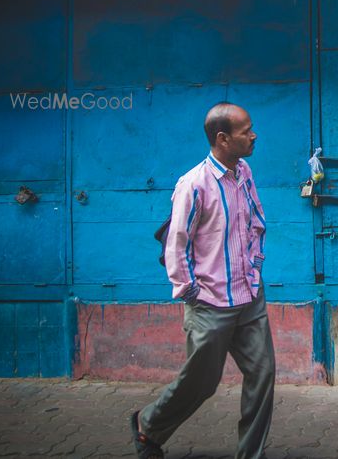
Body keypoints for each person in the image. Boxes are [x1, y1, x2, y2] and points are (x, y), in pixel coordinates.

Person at [130, 102, 275, 459]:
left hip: (249, 296)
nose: (253, 135)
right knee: (202, 383)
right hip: (210, 303)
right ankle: (148, 426)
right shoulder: (193, 184)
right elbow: (176, 245)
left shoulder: (245, 173)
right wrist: (191, 291)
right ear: (223, 138)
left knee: (263, 375)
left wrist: (255, 266)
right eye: (246, 131)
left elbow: (257, 221)